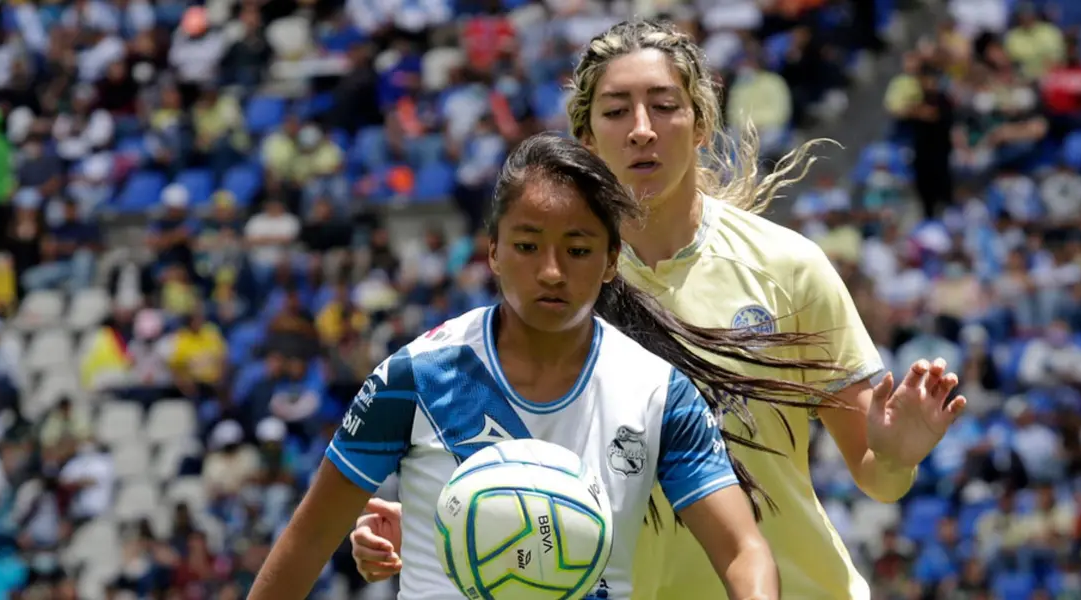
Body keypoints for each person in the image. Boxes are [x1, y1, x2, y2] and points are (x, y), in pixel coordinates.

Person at [351, 18, 967, 600]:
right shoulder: (558, 289)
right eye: (616, 111)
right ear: (585, 139)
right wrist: (440, 524)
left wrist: (895, 452)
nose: (641, 128)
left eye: (664, 106)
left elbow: (879, 479)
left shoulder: (789, 267)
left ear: (700, 123)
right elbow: (535, 470)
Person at [252, 133, 902, 599]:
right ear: (493, 254)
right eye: (528, 246)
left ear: (613, 259)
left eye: (578, 247)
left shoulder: (657, 393)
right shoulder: (414, 377)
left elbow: (741, 550)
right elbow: (308, 542)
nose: (552, 271)